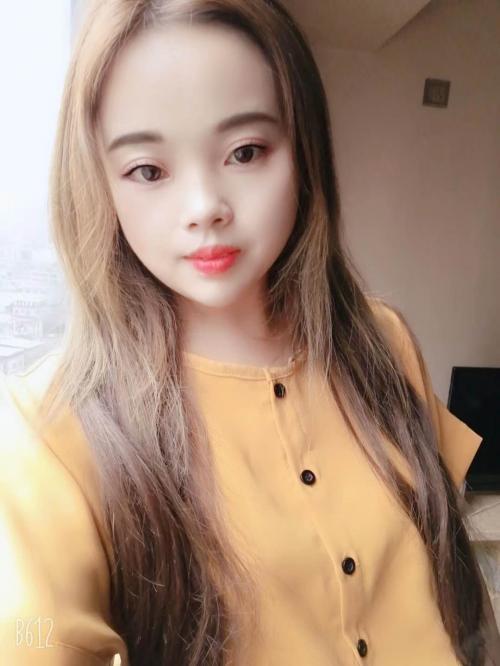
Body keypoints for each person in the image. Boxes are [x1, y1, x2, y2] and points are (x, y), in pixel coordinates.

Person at [0, 1, 498, 664]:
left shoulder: (380, 339)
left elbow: (454, 578)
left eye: (245, 152)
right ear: (98, 183)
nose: (205, 207)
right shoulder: (53, 427)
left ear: (304, 151)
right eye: (148, 170)